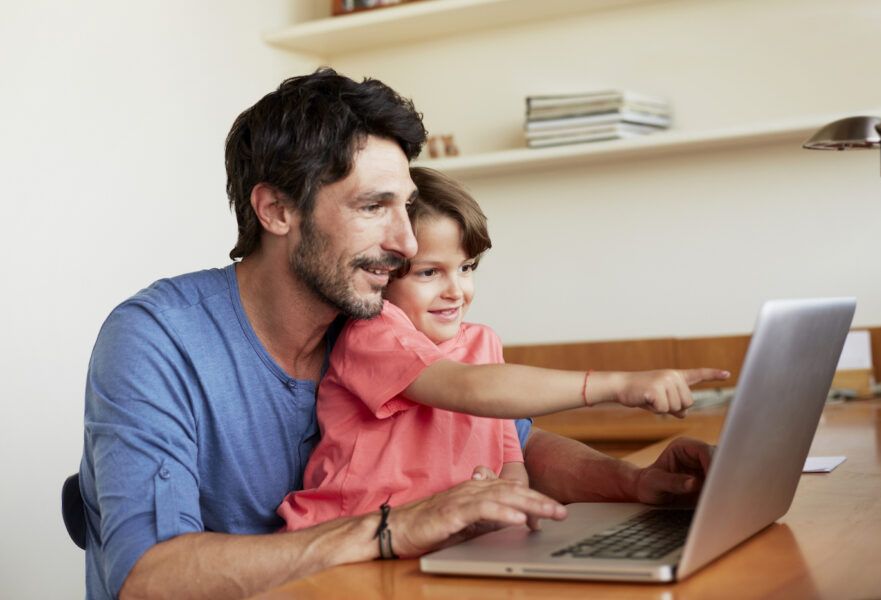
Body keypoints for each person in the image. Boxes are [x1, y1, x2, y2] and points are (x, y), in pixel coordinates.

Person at [79, 68, 722, 600]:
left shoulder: (368, 309)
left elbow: (505, 439)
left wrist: (633, 484)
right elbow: (147, 577)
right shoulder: (156, 340)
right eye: (371, 207)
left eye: (403, 206)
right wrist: (389, 530)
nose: (406, 243)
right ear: (275, 209)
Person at [277, 167, 728, 533]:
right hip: (347, 537)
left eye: (467, 268)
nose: (457, 290)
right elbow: (467, 387)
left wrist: (511, 492)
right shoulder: (373, 332)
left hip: (440, 542)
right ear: (384, 273)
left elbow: (509, 449)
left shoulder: (482, 342)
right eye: (429, 273)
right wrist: (618, 383)